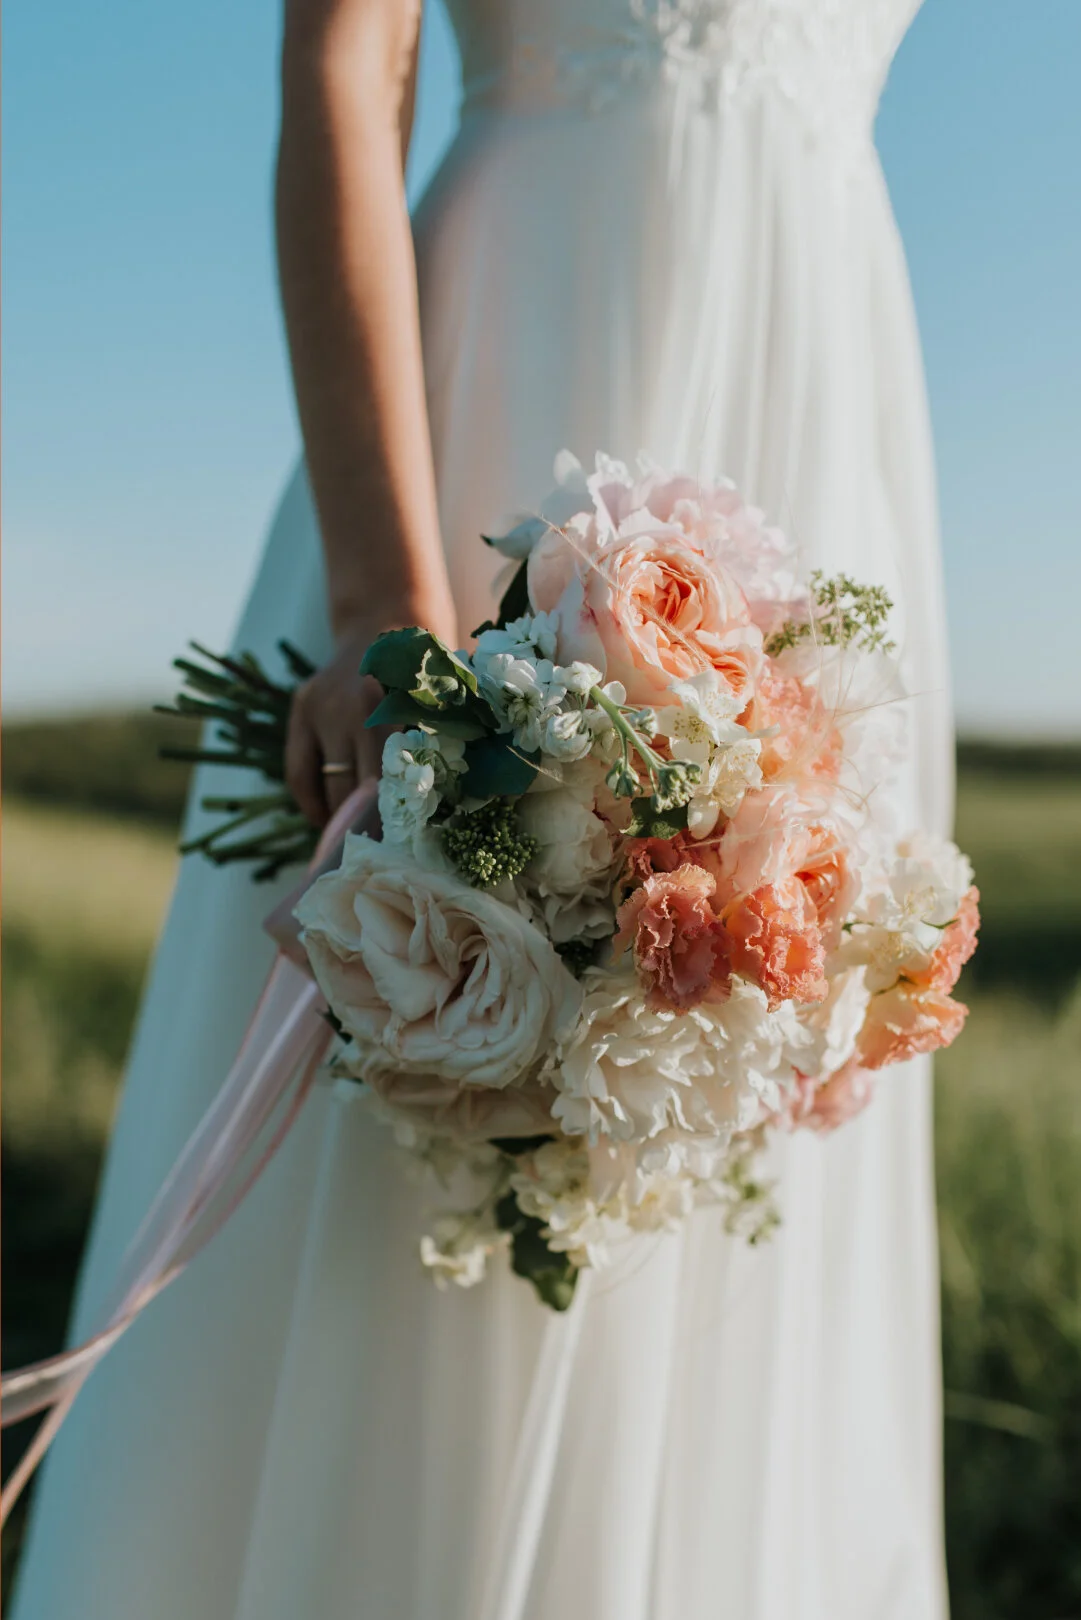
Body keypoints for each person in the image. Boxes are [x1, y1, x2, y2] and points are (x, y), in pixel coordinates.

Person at [11, 2, 954, 1615]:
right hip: (504, 400)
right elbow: (341, 59)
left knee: (759, 1057)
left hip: (826, 412)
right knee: (420, 1118)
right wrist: (386, 599)